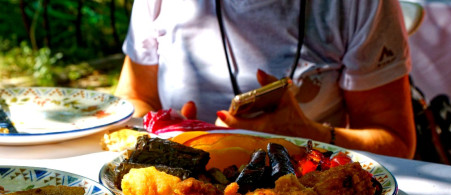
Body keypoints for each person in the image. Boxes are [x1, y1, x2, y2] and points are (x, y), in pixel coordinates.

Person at [114, 0, 417, 159]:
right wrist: (168, 135)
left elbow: (396, 142)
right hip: (178, 193)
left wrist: (306, 136)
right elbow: (133, 98)